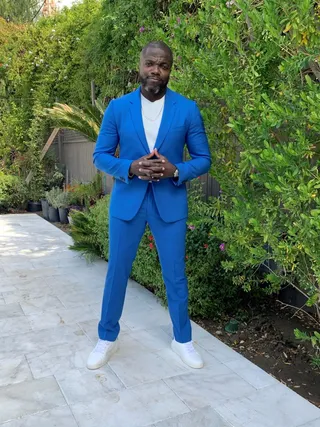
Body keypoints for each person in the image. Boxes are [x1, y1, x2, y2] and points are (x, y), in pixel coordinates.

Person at [87, 41, 211, 370]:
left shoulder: (187, 109)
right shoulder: (118, 108)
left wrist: (177, 171)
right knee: (117, 272)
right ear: (140, 64)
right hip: (128, 202)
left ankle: (182, 340)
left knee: (175, 275)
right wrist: (129, 167)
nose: (156, 70)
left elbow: (203, 159)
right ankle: (106, 338)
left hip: (169, 202)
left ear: (170, 69)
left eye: (164, 65)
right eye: (151, 63)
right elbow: (99, 155)